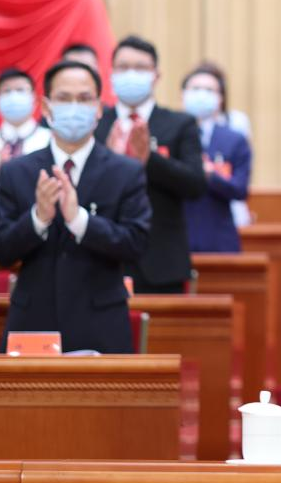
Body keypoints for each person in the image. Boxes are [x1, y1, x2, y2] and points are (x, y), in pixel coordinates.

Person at [0, 61, 151, 353]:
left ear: (99, 108)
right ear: (47, 108)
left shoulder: (125, 171)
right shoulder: (18, 171)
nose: (74, 107)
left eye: (85, 98)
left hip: (101, 325)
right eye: (64, 98)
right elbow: (0, 250)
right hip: (33, 321)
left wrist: (81, 221)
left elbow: (135, 245)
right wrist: (38, 218)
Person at [94, 35, 206, 293]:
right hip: (101, 256)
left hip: (161, 261)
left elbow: (196, 184)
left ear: (156, 76)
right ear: (111, 74)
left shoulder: (180, 123)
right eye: (123, 68)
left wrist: (149, 160)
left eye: (140, 68)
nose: (131, 74)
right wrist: (109, 160)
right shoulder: (96, 123)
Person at [181, 67, 252, 252]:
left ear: (220, 98)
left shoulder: (234, 139)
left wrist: (209, 174)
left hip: (219, 239)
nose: (201, 95)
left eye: (209, 90)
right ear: (183, 95)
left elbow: (240, 189)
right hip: (177, 238)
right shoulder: (170, 134)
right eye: (195, 89)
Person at [0, 68, 52, 215]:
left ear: (33, 97)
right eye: (6, 91)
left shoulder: (49, 139)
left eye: (20, 90)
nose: (14, 96)